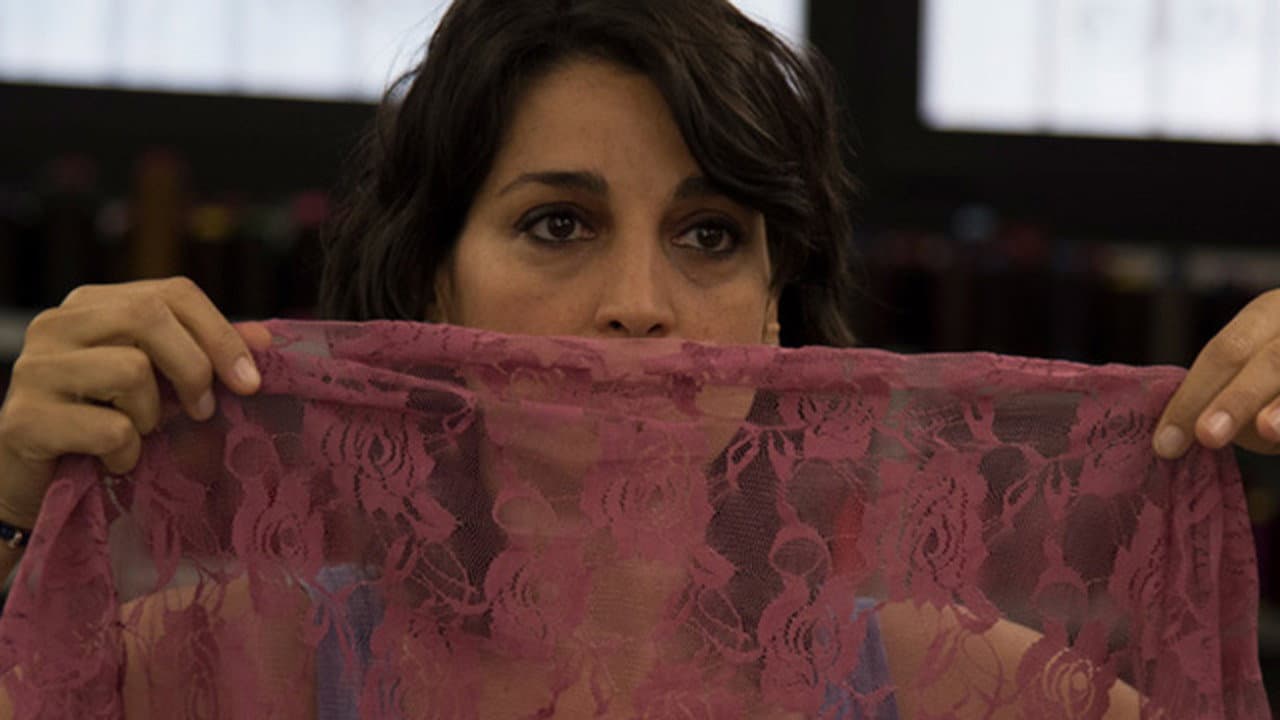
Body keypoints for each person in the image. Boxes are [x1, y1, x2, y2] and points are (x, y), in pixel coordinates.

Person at [0, 0, 1274, 715]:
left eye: (708, 235)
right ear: (432, 281)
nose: (636, 307)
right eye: (557, 224)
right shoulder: (235, 665)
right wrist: (6, 507)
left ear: (773, 314)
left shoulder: (960, 688)